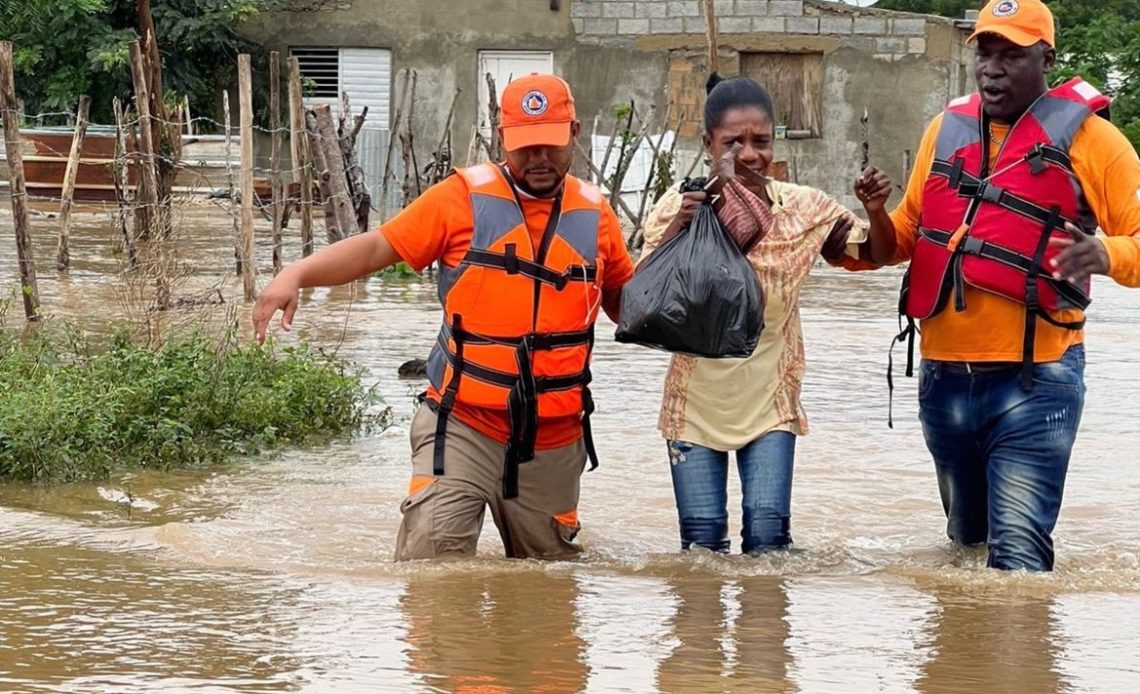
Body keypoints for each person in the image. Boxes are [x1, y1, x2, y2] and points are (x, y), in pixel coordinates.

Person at [252, 74, 635, 561]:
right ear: (501, 139)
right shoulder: (459, 199)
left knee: (551, 582)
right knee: (431, 564)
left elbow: (629, 304)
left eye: (551, 145)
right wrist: (297, 273)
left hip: (554, 434)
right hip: (463, 422)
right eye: (525, 146)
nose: (539, 158)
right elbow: (375, 248)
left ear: (574, 133)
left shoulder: (596, 215)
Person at [877, 0, 1140, 571]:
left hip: (1036, 380)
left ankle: (1021, 657)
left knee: (1017, 564)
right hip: (944, 379)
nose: (991, 69)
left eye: (1011, 56)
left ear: (1046, 58)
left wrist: (1106, 252)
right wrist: (856, 226)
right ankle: (965, 662)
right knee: (966, 552)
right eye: (985, 54)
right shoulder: (944, 129)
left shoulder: (1097, 143)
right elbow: (902, 235)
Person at [638, 74, 895, 554]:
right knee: (700, 549)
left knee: (769, 544)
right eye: (733, 142)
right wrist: (681, 227)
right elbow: (642, 295)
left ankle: (763, 631)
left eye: (761, 141)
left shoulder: (803, 208)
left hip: (771, 404)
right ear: (708, 144)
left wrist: (876, 210)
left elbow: (873, 254)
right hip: (692, 407)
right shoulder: (680, 206)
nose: (749, 154)